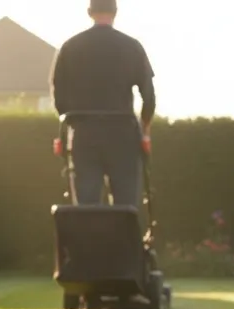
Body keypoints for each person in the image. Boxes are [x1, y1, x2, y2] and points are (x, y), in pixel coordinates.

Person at [49, 0, 156, 209]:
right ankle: (123, 231)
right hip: (123, 133)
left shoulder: (70, 47)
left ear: (89, 12)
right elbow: (149, 96)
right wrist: (145, 132)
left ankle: (88, 231)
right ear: (115, 12)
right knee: (126, 205)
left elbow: (58, 94)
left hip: (84, 131)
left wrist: (69, 124)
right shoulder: (132, 47)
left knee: (86, 204)